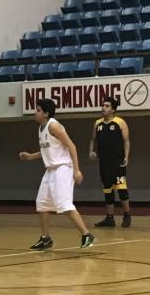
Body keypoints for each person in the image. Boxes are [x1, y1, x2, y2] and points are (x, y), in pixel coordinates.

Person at [19, 98, 95, 250]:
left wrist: (76, 169)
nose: (35, 112)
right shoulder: (41, 128)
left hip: (63, 168)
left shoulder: (53, 126)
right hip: (50, 170)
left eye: (38, 110)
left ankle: (87, 235)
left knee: (64, 204)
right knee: (42, 204)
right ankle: (46, 239)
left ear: (46, 113)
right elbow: (47, 150)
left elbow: (71, 146)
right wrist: (30, 156)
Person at [88, 96, 131, 228]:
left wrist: (126, 157)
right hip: (104, 162)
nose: (103, 108)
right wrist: (91, 151)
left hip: (118, 162)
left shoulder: (120, 122)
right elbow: (92, 139)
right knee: (107, 190)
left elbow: (126, 141)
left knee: (121, 188)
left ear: (113, 110)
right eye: (103, 105)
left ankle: (127, 215)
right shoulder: (97, 124)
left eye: (107, 106)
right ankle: (109, 218)